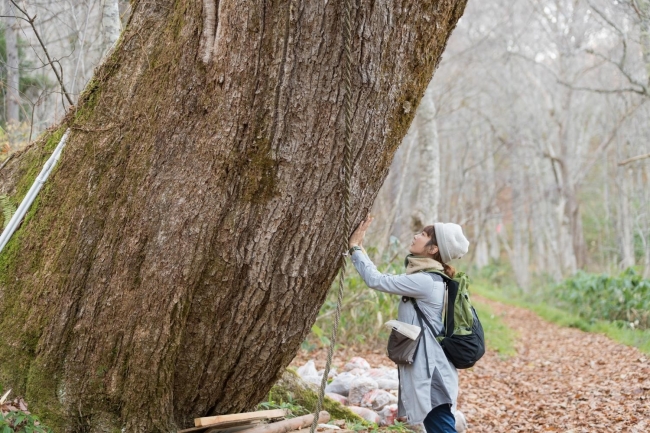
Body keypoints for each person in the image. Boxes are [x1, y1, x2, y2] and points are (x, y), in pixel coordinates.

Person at [348, 217, 470, 433]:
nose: (416, 236)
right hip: (431, 364)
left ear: (433, 249)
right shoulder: (430, 278)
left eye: (423, 234)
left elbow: (377, 280)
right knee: (437, 424)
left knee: (440, 425)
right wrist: (360, 249)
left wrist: (355, 248)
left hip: (431, 368)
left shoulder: (425, 281)